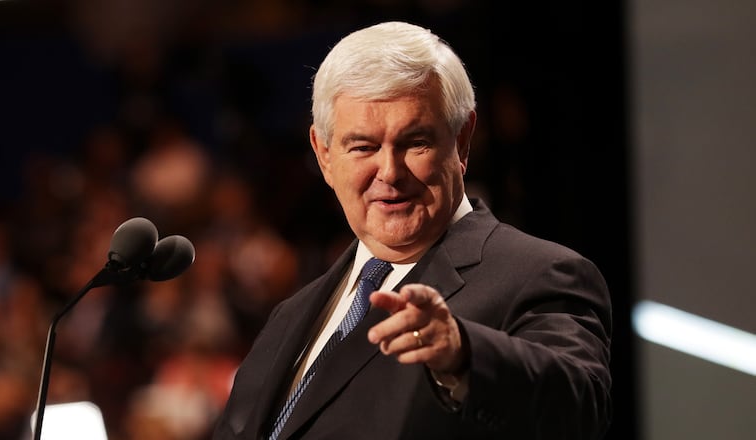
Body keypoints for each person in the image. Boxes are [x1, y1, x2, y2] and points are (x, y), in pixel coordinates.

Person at [212, 21, 612, 440]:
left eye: (415, 142)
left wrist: (463, 356)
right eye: (363, 147)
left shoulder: (538, 274)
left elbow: (580, 405)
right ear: (324, 154)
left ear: (462, 140)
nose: (389, 172)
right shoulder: (290, 316)